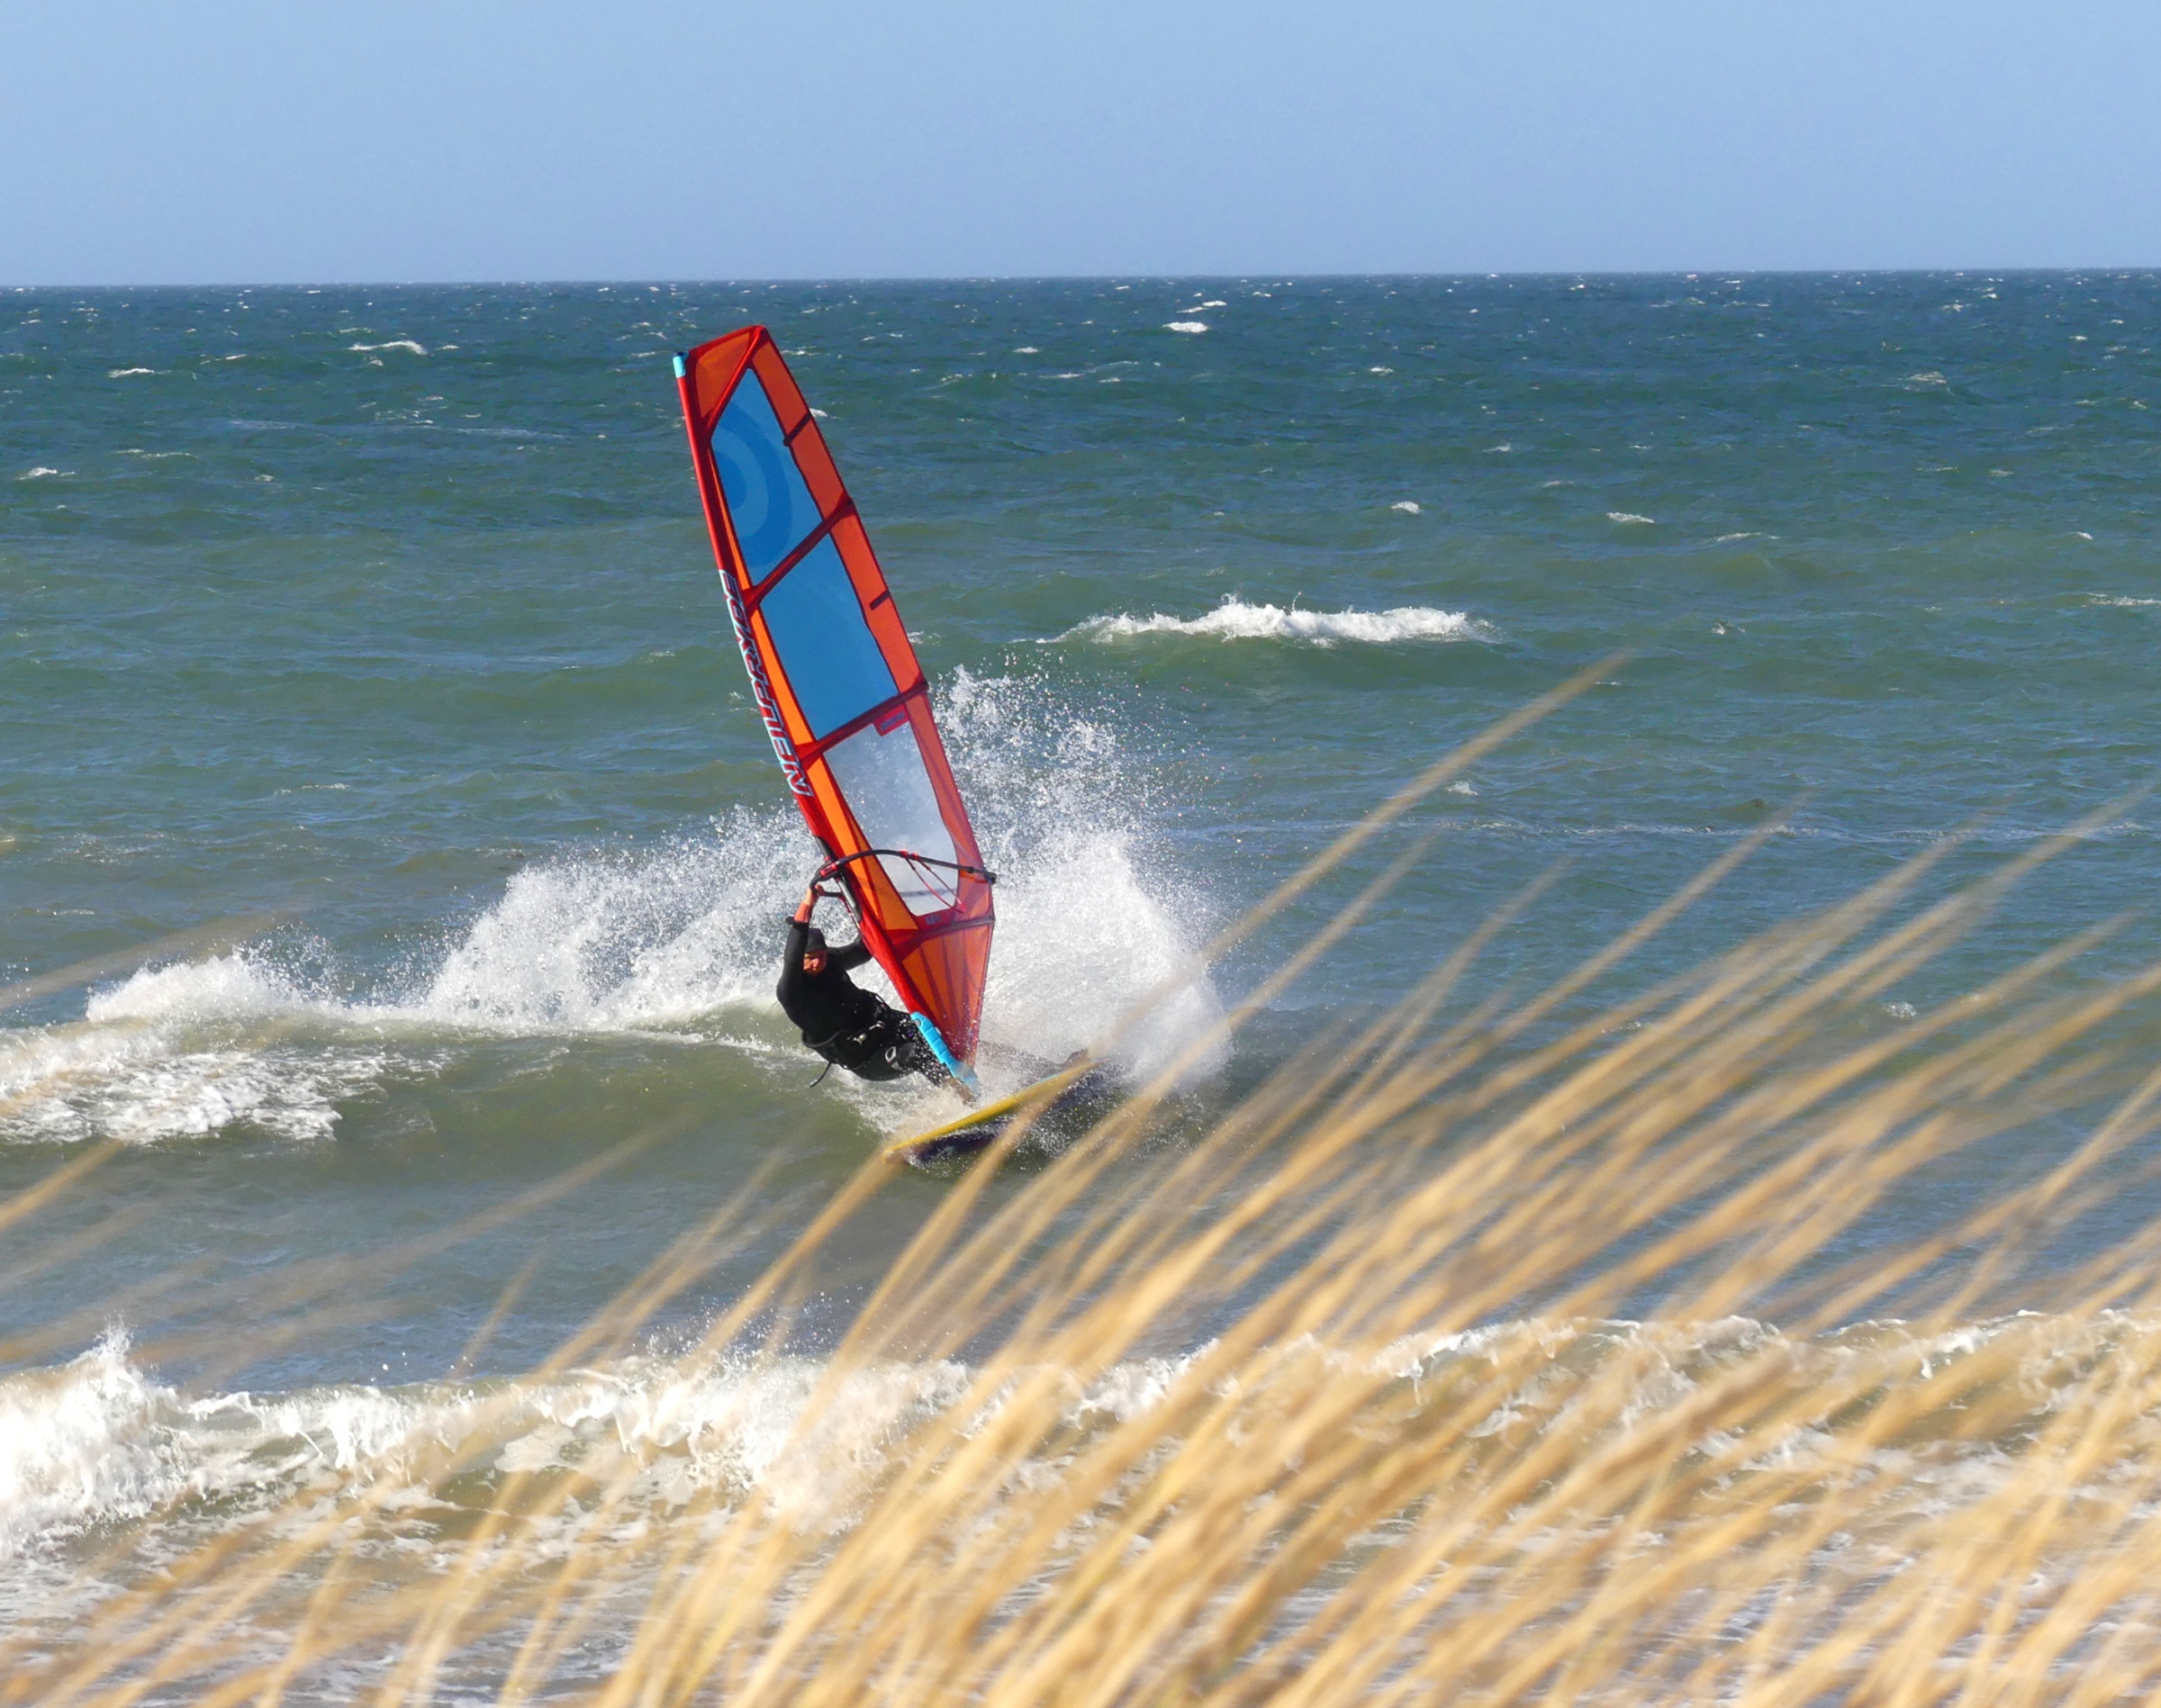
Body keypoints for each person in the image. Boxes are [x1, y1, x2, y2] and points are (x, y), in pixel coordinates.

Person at [776, 881, 954, 1088]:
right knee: (913, 1054)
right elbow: (795, 944)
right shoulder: (791, 990)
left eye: (821, 955)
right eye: (810, 958)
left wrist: (874, 903)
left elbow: (863, 949)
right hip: (868, 1059)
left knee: (935, 1033)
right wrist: (808, 903)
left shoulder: (830, 961)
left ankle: (992, 1060)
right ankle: (964, 1100)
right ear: (799, 959)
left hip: (888, 1025)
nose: (818, 962)